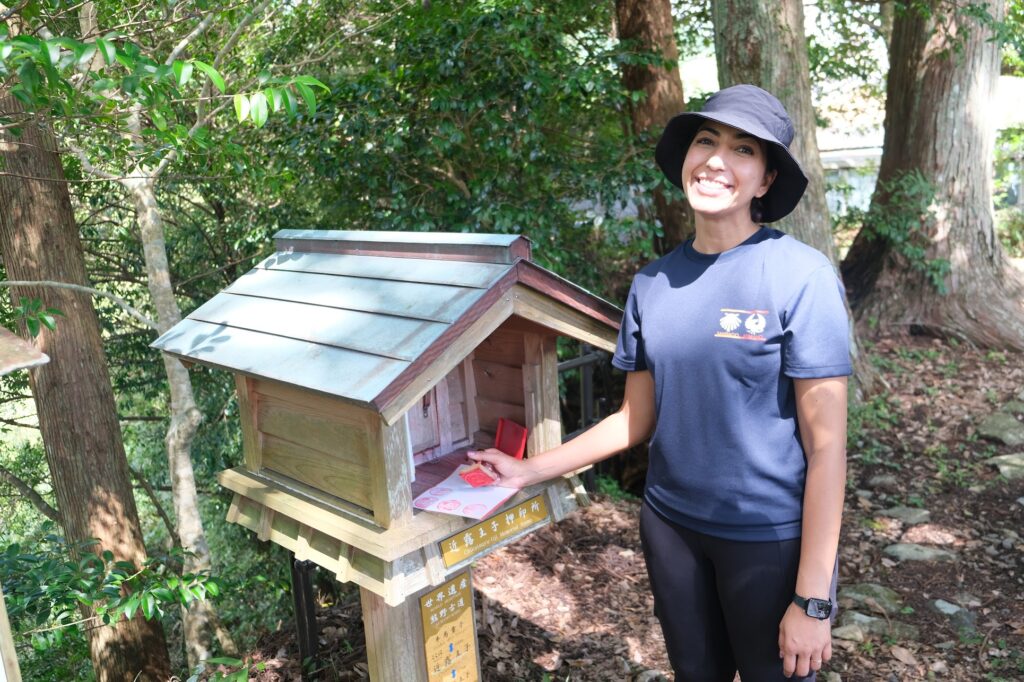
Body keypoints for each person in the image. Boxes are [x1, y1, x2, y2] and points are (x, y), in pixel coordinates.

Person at [469, 84, 850, 681]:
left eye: (742, 150)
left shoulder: (802, 277)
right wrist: (529, 469)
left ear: (766, 180)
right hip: (671, 529)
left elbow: (827, 450)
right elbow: (633, 419)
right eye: (706, 141)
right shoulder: (653, 283)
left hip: (767, 540)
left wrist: (812, 599)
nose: (717, 161)